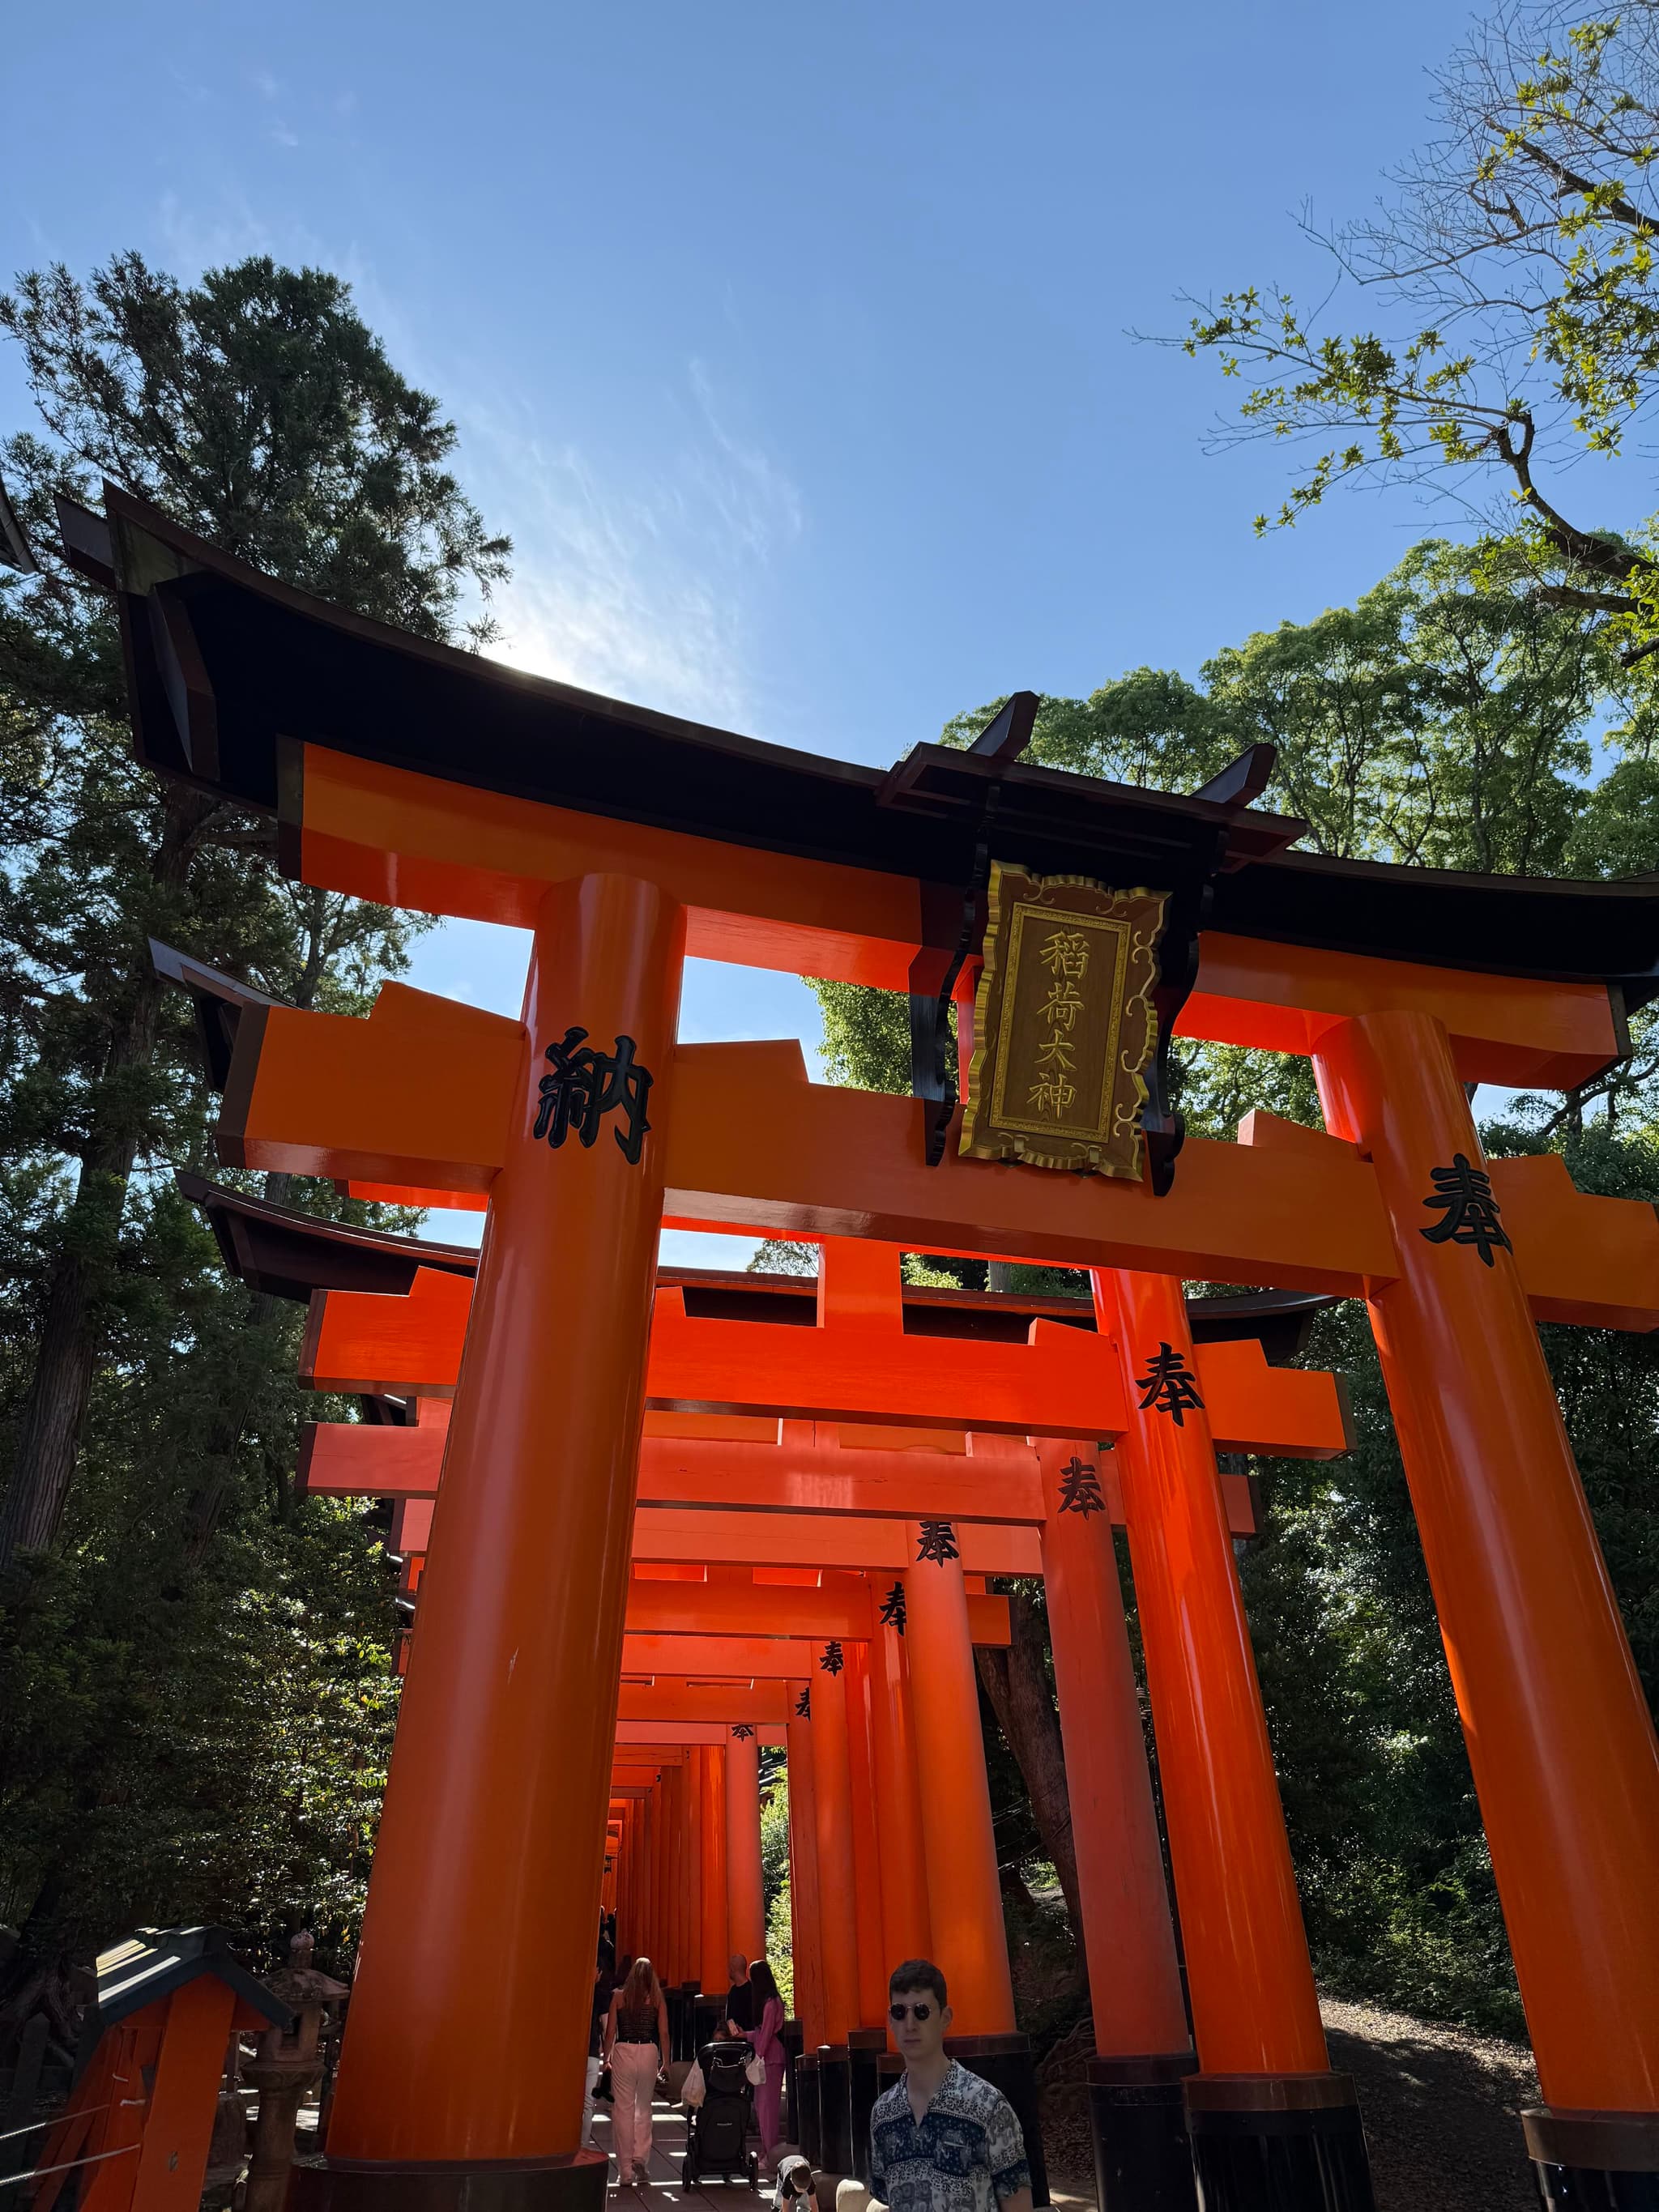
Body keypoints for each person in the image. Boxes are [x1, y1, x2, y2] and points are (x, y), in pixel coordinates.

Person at [869, 1961, 1032, 2212]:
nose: (910, 2024)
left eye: (922, 2012)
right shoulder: (883, 2113)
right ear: (890, 2019)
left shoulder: (987, 2106)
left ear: (945, 2018)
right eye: (900, 2012)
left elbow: (1018, 2205)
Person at [603, 1953, 671, 2186]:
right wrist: (666, 2061)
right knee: (643, 2108)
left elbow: (611, 2032)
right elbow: (663, 2032)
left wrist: (606, 2058)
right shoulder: (657, 1999)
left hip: (624, 2051)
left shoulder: (619, 1997)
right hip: (649, 2052)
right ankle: (640, 2158)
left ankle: (624, 2170)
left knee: (623, 2109)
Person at [732, 1958, 787, 2163]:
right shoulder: (769, 2003)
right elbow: (761, 2033)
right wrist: (744, 2035)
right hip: (767, 2058)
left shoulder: (771, 2004)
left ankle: (770, 2153)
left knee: (768, 2108)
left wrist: (758, 2056)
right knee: (761, 2105)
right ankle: (766, 2151)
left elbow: (765, 2036)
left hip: (770, 2059)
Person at [583, 1937, 618, 2147]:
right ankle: (583, 2145)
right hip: (592, 2054)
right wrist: (608, 2057)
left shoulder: (573, 1994)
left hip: (573, 2055)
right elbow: (608, 2028)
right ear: (597, 1972)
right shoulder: (602, 1996)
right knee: (588, 2104)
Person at [725, 1952, 754, 2032]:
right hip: (737, 2038)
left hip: (750, 2039)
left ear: (732, 1968)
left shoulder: (752, 1991)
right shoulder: (732, 1991)